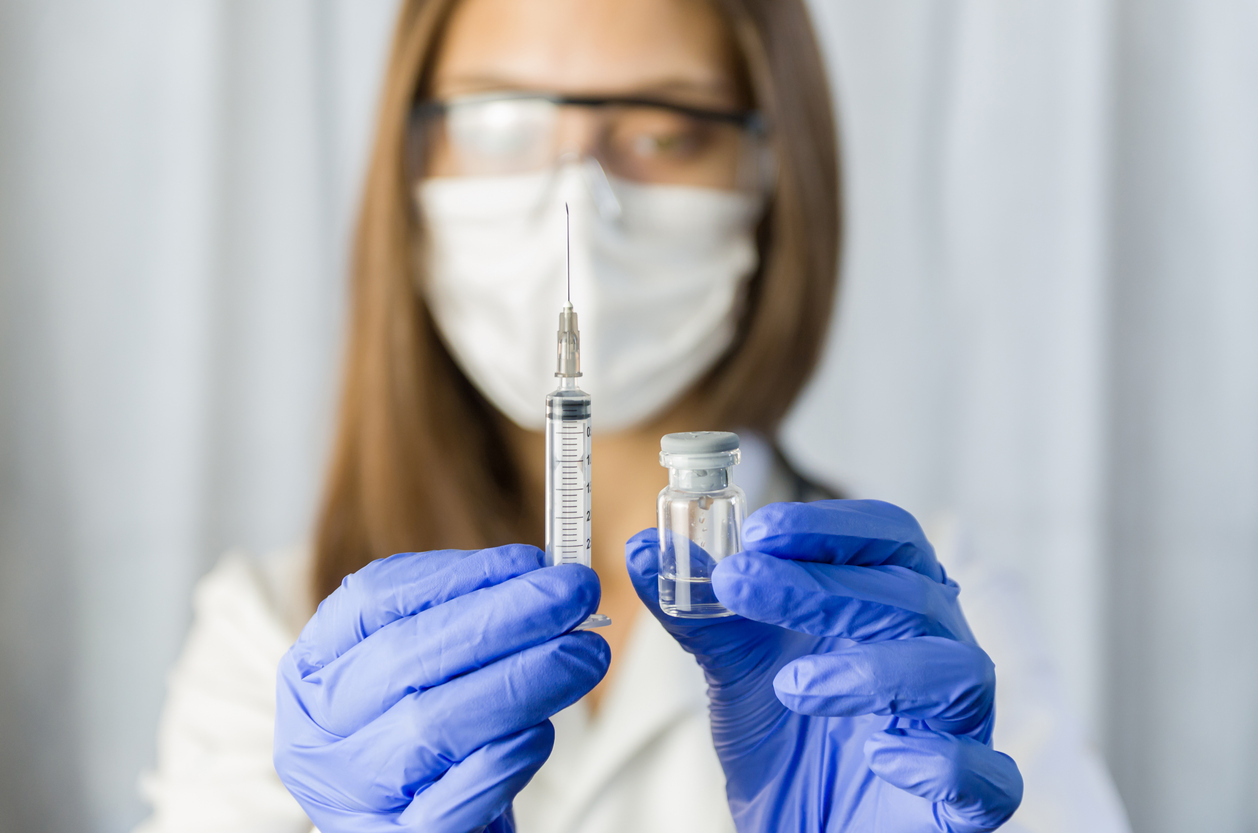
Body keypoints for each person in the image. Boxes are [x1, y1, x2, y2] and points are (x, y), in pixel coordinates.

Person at [135, 0, 1133, 831]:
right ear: (412, 161)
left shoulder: (910, 627)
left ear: (775, 176)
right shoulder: (273, 638)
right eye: (498, 121)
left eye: (665, 128)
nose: (580, 190)